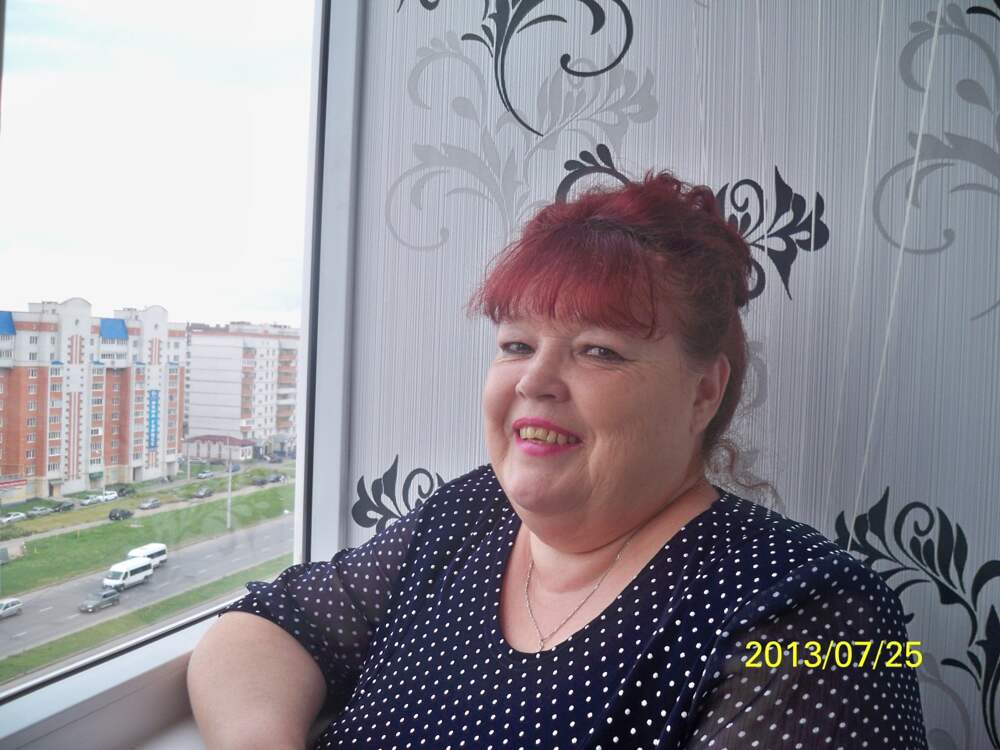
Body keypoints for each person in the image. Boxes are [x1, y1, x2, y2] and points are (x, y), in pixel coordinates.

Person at [187, 171, 929, 749]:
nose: (534, 381)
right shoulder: (469, 513)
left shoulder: (820, 618)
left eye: (599, 350)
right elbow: (267, 624)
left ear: (703, 392)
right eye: (516, 344)